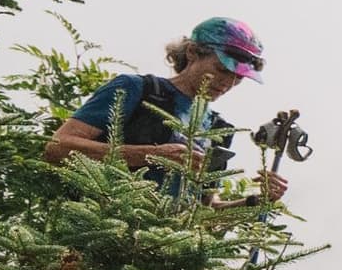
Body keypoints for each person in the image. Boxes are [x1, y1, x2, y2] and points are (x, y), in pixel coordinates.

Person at [44, 16, 281, 202]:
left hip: (161, 257)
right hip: (95, 240)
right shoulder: (135, 89)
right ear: (192, 53)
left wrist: (255, 201)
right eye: (221, 69)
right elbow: (57, 148)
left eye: (238, 78)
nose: (228, 83)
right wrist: (152, 155)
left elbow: (204, 213)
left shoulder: (218, 129)